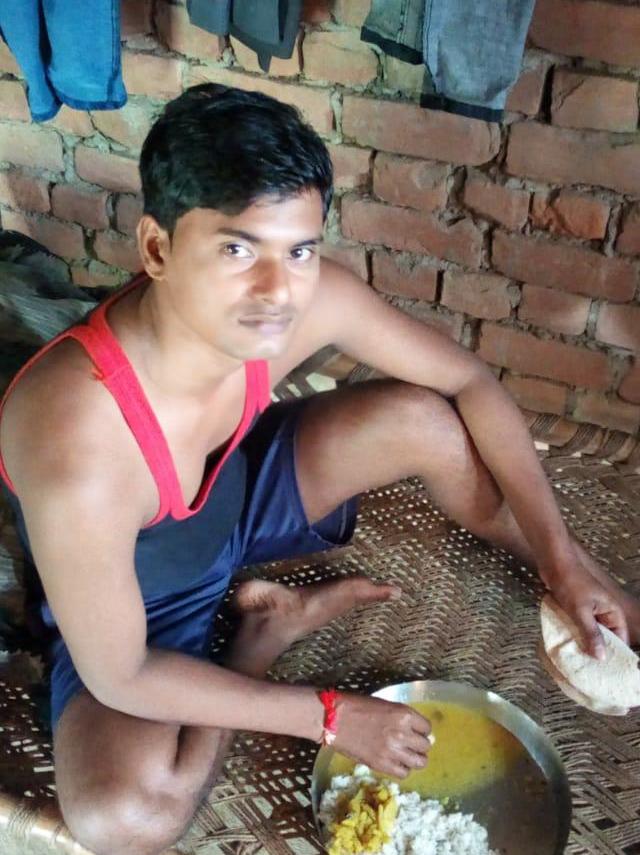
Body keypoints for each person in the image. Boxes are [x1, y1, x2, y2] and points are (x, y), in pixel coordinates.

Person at [0, 84, 637, 855]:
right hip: (142, 598)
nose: (277, 291)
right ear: (158, 248)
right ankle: (261, 636)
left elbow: (469, 380)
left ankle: (598, 598)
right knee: (126, 817)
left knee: (426, 420)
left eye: (298, 249)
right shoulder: (77, 440)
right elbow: (123, 672)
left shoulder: (298, 300)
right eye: (237, 250)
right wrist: (329, 714)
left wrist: (562, 562)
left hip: (238, 496)